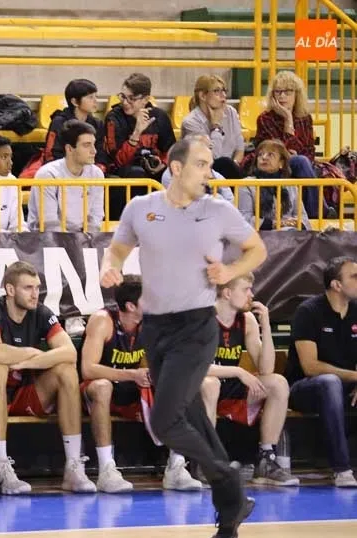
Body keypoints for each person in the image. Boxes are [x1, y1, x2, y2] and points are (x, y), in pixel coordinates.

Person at [100, 136, 267, 537]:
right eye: (201, 164)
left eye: (210, 164)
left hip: (196, 327)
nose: (209, 173)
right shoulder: (142, 208)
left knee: (165, 420)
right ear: (176, 168)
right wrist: (110, 266)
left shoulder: (218, 210)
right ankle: (231, 510)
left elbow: (256, 250)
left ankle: (226, 478)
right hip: (155, 328)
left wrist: (229, 272)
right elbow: (117, 248)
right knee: (192, 417)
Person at [0, 261, 96, 494]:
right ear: (10, 290)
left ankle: (73, 467)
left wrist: (29, 361)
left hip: (24, 390)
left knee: (67, 371)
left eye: (37, 287)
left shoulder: (40, 312)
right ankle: (0, 466)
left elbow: (70, 353)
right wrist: (31, 351)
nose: (35, 294)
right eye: (28, 288)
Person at [80, 275, 203, 493]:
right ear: (130, 306)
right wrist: (132, 374)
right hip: (96, 391)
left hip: (130, 388)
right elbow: (88, 369)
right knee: (102, 386)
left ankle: (176, 466)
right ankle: (107, 469)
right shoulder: (102, 321)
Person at [204, 274, 299, 486]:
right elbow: (197, 368)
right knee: (211, 384)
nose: (252, 294)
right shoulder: (203, 318)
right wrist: (239, 372)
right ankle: (207, 461)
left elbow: (266, 369)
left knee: (277, 383)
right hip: (201, 390)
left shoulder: (246, 320)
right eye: (246, 289)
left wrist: (266, 325)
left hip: (230, 389)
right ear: (227, 293)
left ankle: (266, 459)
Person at [284, 256, 357, 488]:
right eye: (355, 276)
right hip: (304, 388)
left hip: (345, 386)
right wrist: (355, 377)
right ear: (337, 284)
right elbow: (310, 366)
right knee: (329, 382)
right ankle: (342, 469)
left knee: (334, 383)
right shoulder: (308, 311)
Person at [248, 71, 320, 217]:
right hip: (275, 165)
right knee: (300, 161)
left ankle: (316, 213)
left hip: (302, 165)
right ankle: (317, 214)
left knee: (304, 162)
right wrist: (288, 121)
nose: (282, 96)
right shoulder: (265, 119)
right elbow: (275, 151)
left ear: (296, 95)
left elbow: (309, 150)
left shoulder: (305, 118)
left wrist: (296, 153)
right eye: (278, 92)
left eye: (287, 92)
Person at [103, 73, 176, 215]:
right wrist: (136, 133)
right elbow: (117, 161)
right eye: (123, 97)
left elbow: (171, 151)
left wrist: (163, 163)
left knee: (173, 173)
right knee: (137, 173)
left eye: (131, 98)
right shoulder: (114, 118)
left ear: (146, 99)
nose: (125, 102)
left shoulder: (160, 116)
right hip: (123, 170)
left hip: (153, 170)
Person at [27, 120, 104, 233]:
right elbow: (50, 223)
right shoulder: (48, 175)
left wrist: (87, 238)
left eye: (94, 144)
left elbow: (95, 216)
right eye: (87, 145)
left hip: (81, 237)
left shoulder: (96, 174)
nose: (94, 151)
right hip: (47, 238)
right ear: (69, 149)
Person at [180, 75, 243, 179]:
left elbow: (239, 147)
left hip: (231, 171)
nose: (223, 95)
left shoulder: (231, 112)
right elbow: (213, 157)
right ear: (202, 96)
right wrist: (216, 127)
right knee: (225, 163)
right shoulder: (190, 123)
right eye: (217, 91)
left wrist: (234, 164)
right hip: (204, 173)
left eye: (224, 91)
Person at [238, 139, 310, 230]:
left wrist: (293, 223)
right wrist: (276, 224)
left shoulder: (291, 186)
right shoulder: (246, 185)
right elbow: (245, 219)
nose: (264, 157)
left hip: (290, 232)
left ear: (281, 163)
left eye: (270, 154)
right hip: (261, 234)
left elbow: (303, 218)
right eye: (260, 155)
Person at [44, 78, 105, 167]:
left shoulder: (97, 124)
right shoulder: (59, 122)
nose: (95, 101)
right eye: (90, 97)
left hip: (90, 170)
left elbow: (101, 153)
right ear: (75, 102)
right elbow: (51, 154)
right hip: (63, 170)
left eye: (96, 96)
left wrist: (99, 168)